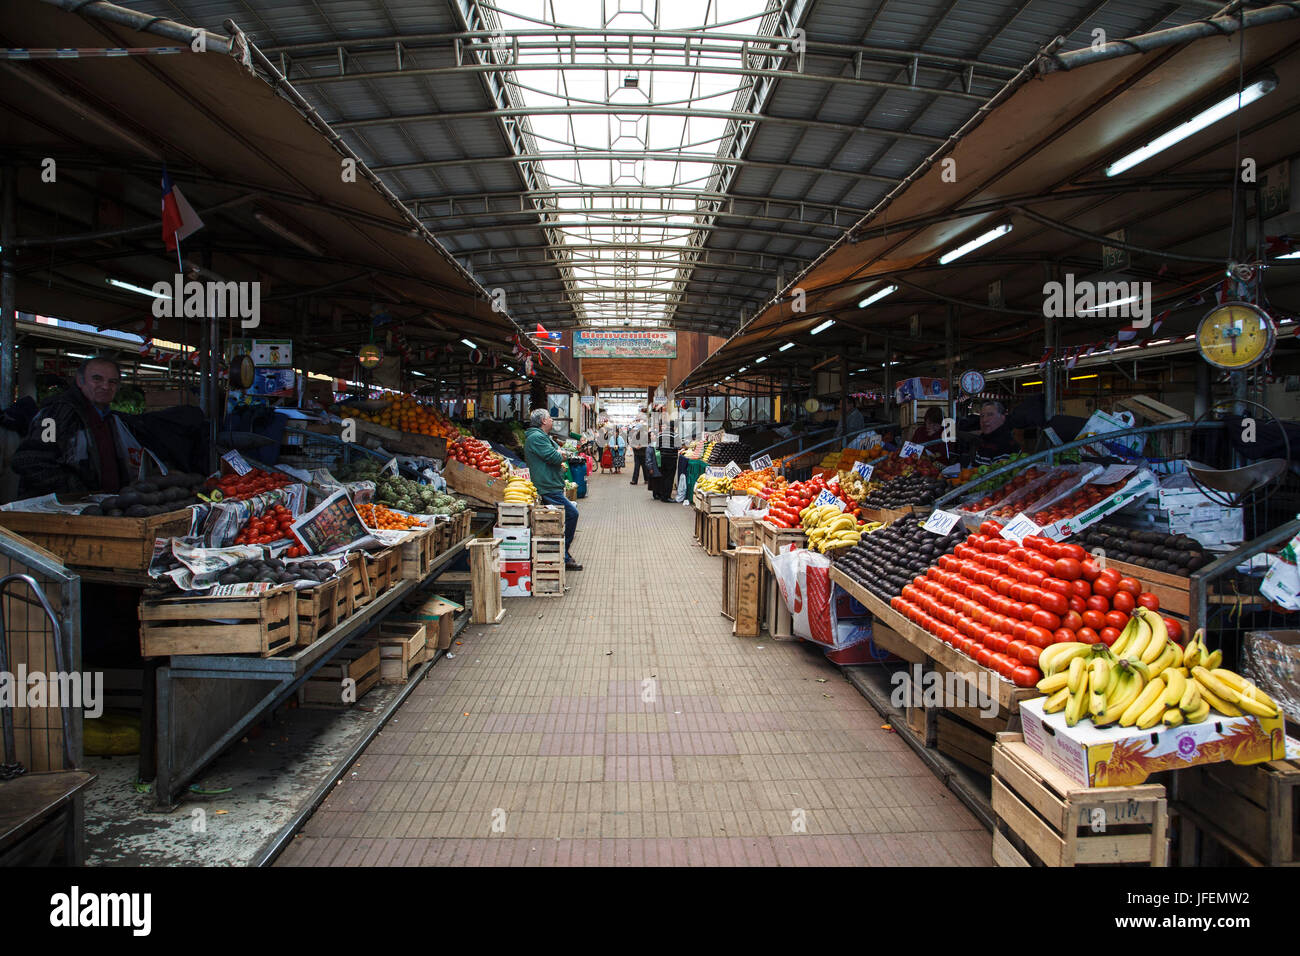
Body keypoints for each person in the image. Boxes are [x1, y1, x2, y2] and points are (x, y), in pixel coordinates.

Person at [12, 355, 146, 498]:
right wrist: (74, 490)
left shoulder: (111, 420)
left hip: (100, 508)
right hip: (63, 511)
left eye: (112, 381)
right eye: (97, 379)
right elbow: (30, 460)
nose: (106, 386)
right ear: (80, 381)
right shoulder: (56, 414)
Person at [523, 408, 581, 571]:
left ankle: (562, 554)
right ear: (543, 421)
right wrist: (560, 454)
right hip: (546, 487)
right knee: (572, 514)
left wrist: (560, 453)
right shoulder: (537, 438)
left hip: (551, 484)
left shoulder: (542, 437)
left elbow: (560, 452)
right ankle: (563, 555)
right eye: (550, 418)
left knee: (565, 516)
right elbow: (556, 456)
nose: (552, 420)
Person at [970, 400, 1020, 465]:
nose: (984, 420)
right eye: (982, 416)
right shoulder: (986, 439)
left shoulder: (1005, 445)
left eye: (990, 415)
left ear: (1002, 418)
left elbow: (1000, 473)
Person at [628, 415, 650, 485]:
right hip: (637, 453)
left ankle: (646, 480)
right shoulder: (635, 434)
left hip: (643, 453)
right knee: (636, 467)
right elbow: (631, 443)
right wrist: (635, 446)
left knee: (645, 467)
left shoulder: (646, 434)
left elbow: (648, 444)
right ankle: (634, 480)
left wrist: (641, 446)